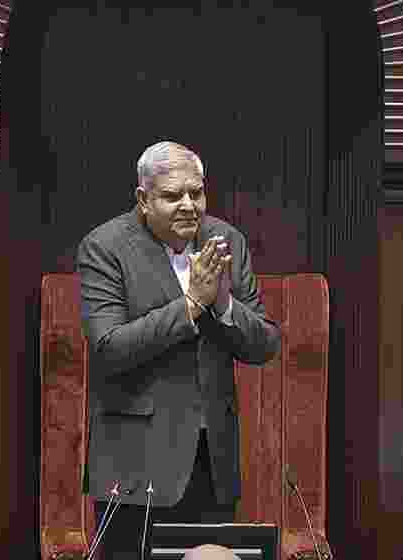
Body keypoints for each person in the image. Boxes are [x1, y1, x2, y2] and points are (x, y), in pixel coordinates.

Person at [77, 141, 281, 559]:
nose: (189, 205)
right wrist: (190, 306)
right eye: (172, 196)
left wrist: (223, 304)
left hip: (213, 459)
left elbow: (265, 344)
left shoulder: (227, 240)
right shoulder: (104, 247)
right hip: (137, 463)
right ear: (143, 199)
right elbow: (109, 348)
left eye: (197, 193)